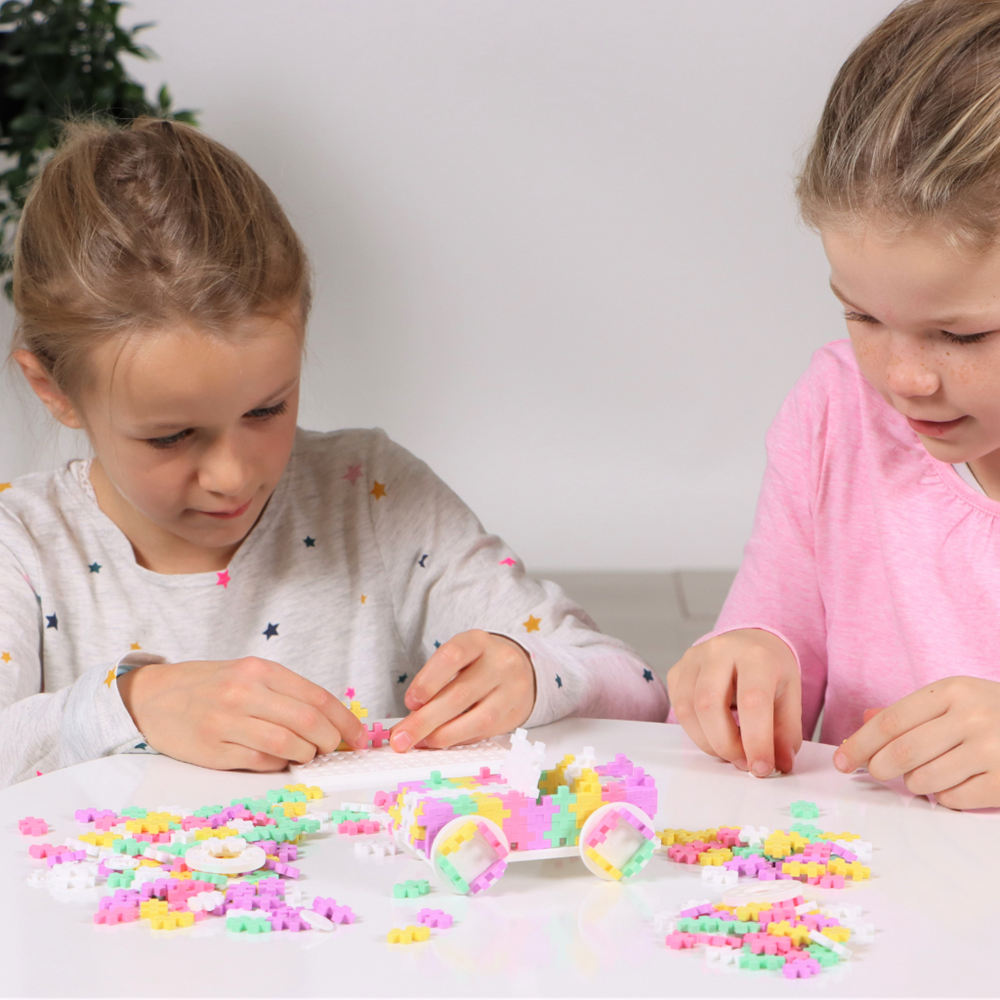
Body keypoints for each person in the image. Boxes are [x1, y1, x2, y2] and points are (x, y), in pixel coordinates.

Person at [0, 117, 667, 788]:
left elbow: (638, 690)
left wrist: (531, 673)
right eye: (170, 437)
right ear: (53, 389)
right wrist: (133, 705)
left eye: (266, 409)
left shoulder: (371, 495)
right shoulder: (22, 546)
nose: (232, 475)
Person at [667, 0, 1000, 810]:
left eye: (961, 335)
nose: (904, 379)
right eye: (862, 316)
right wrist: (745, 664)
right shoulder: (836, 412)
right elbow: (773, 628)